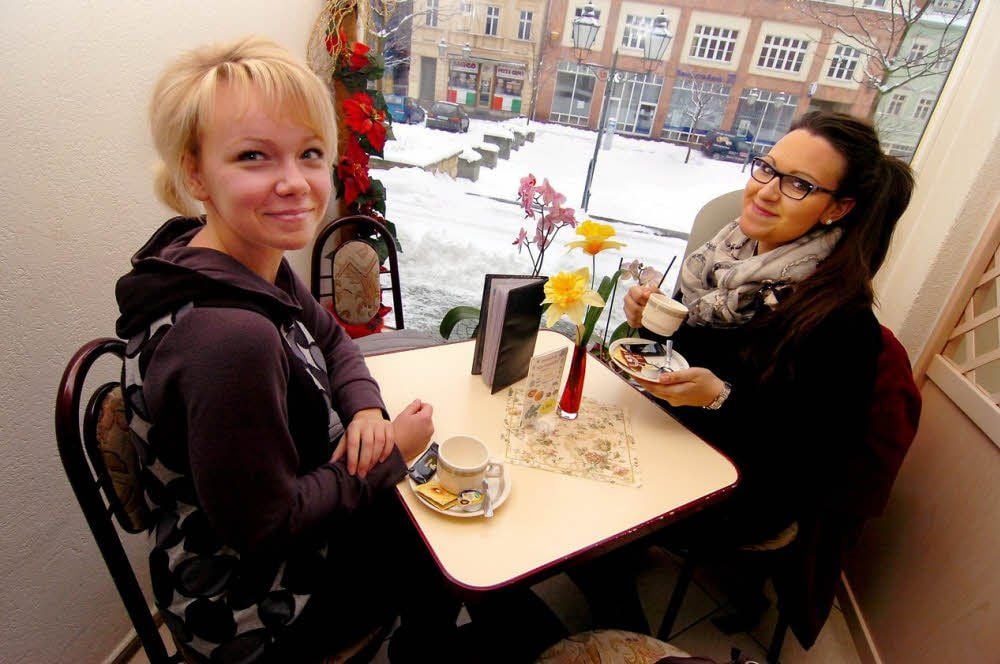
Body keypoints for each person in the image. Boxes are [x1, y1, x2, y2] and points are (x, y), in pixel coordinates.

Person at [115, 37, 454, 663]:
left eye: (310, 154)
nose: (295, 183)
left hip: (257, 525)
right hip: (251, 607)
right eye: (253, 156)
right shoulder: (229, 338)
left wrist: (365, 412)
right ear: (195, 172)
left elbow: (327, 336)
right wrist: (392, 456)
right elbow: (266, 529)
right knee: (440, 547)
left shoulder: (226, 255)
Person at [581, 112, 915, 638]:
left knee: (590, 511)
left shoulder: (841, 322)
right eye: (767, 168)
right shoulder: (725, 256)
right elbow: (687, 357)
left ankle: (623, 635)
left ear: (838, 208)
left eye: (799, 185)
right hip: (687, 438)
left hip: (751, 487)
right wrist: (652, 322)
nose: (766, 192)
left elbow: (814, 459)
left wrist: (721, 400)